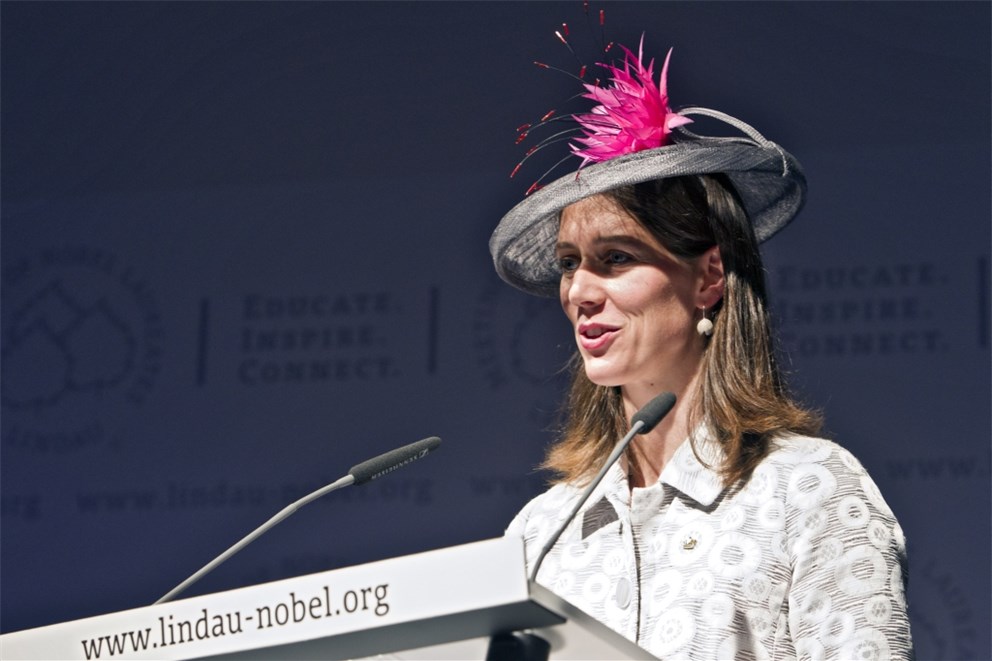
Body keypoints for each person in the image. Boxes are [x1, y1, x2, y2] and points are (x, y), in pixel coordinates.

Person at [489, 38, 914, 659]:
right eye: (569, 263)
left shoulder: (807, 490)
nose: (579, 291)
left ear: (709, 276)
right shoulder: (542, 530)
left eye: (615, 258)